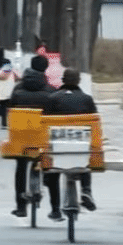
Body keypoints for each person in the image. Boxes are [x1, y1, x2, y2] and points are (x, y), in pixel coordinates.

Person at [8, 54, 61, 219]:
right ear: (46, 68)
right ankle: (55, 208)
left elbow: (10, 110)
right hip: (43, 139)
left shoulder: (17, 89)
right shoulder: (51, 91)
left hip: (22, 139)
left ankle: (20, 206)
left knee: (20, 167)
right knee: (51, 167)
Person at [45, 67, 98, 210]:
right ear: (79, 81)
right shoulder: (87, 99)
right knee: (85, 161)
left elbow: (44, 125)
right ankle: (86, 190)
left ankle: (55, 209)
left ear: (63, 80)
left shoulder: (52, 99)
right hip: (80, 145)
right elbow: (94, 124)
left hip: (58, 146)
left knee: (53, 170)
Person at [0, 59, 16, 126]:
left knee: (3, 108)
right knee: (9, 108)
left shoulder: (5, 69)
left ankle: (4, 124)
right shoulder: (12, 70)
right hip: (10, 92)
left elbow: (1, 77)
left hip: (4, 92)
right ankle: (9, 123)